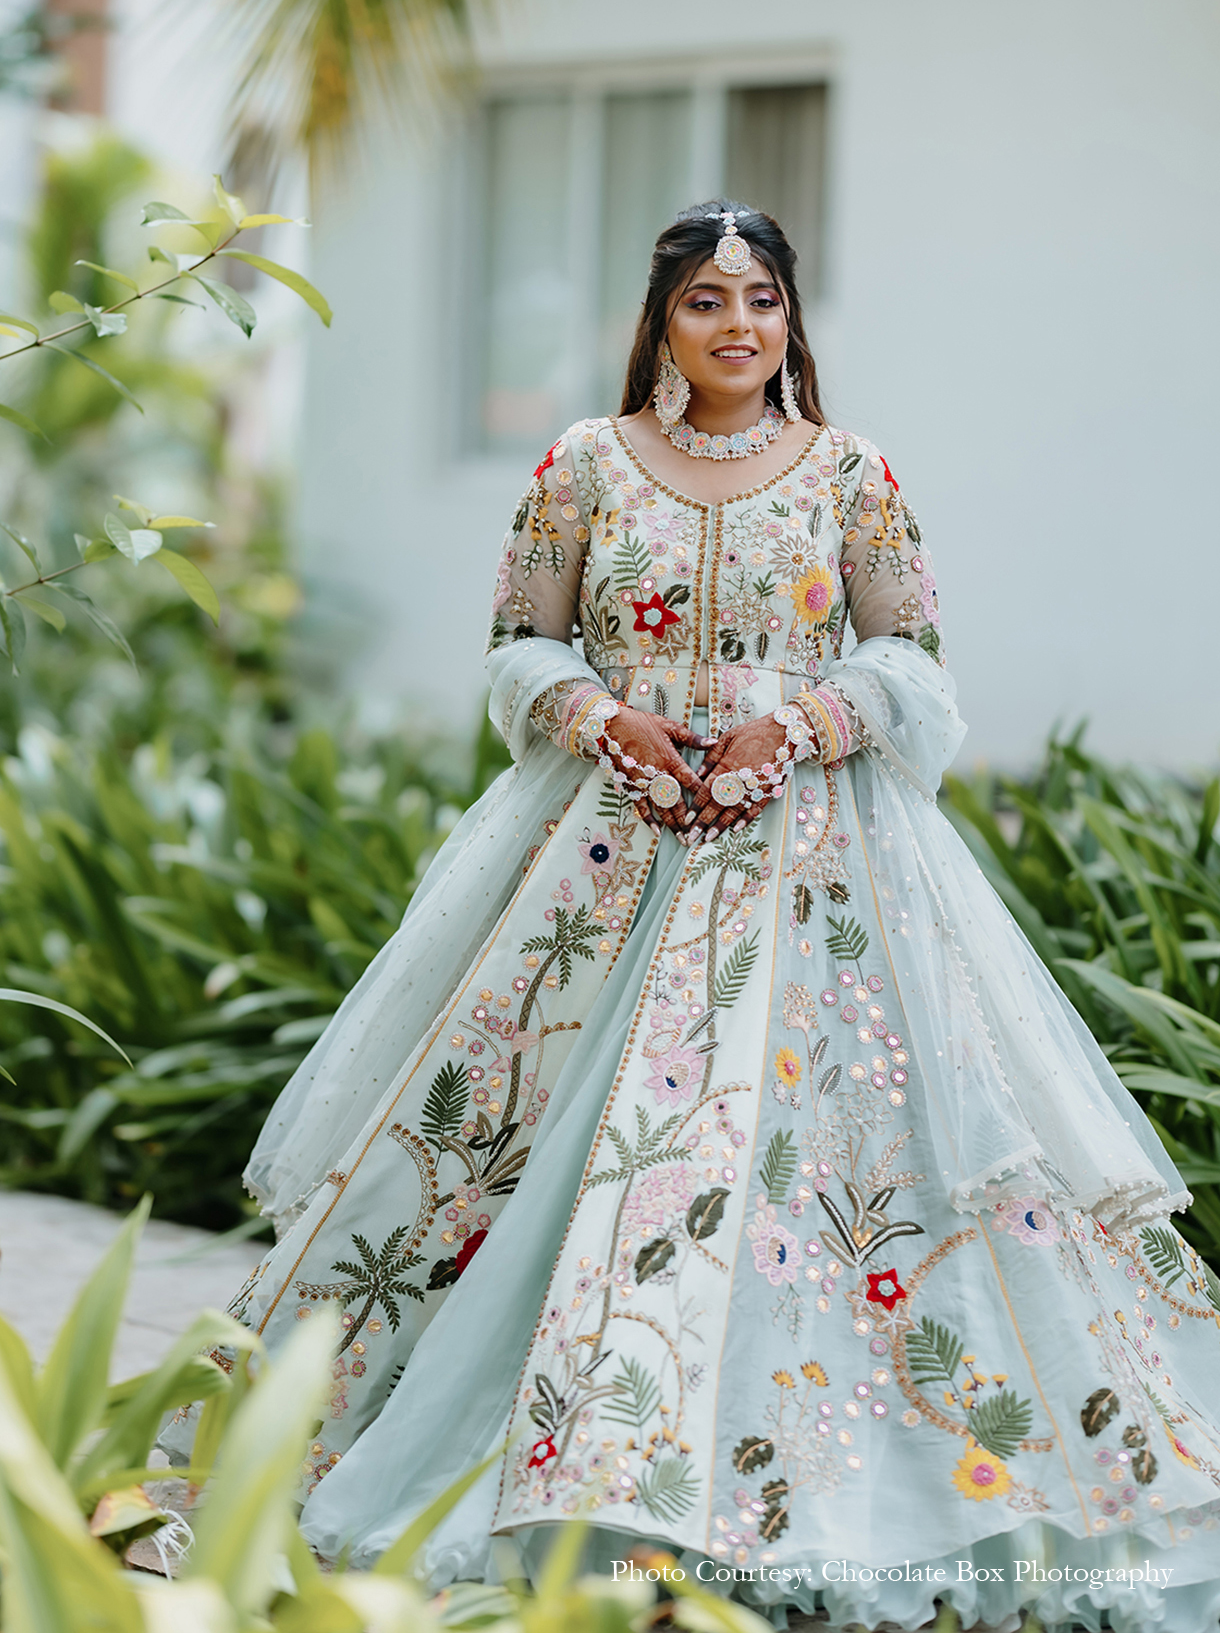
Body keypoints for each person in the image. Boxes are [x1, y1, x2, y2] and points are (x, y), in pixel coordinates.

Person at [211, 202, 1220, 1630]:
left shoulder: (854, 473)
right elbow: (520, 645)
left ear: (792, 320)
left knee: (816, 1180)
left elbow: (915, 663)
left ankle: (816, 1481)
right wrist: (593, 709)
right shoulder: (583, 465)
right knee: (537, 1151)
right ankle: (540, 1464)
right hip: (602, 855)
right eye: (704, 301)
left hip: (819, 864)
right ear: (662, 320)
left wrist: (798, 724)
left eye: (759, 299)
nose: (735, 324)